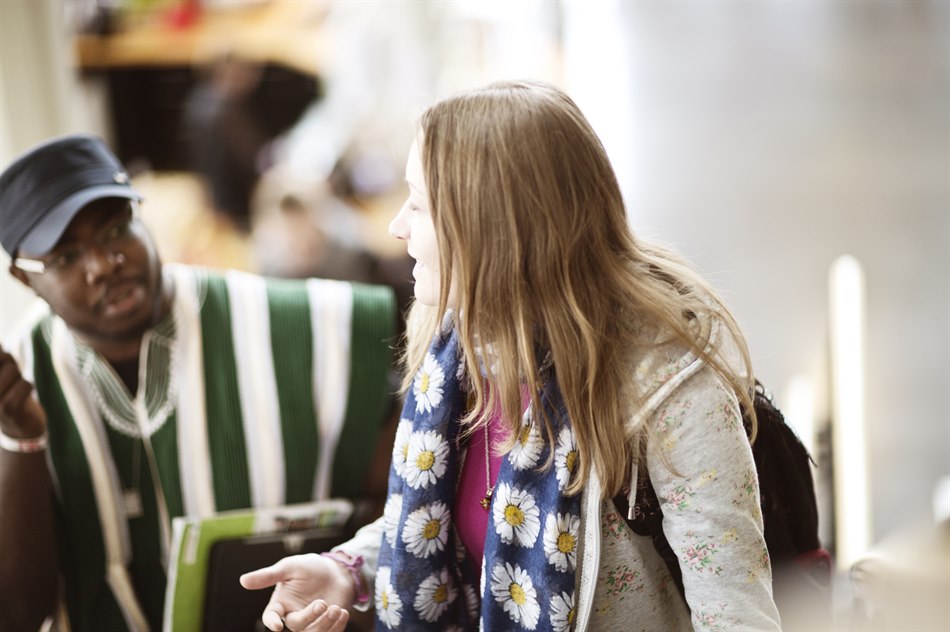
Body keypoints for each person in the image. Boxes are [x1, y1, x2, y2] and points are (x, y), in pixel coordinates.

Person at [240, 81, 782, 631]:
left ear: (492, 229)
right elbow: (449, 520)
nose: (396, 226)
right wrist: (347, 570)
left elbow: (735, 612)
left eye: (419, 205)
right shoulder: (456, 348)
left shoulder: (667, 388)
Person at [0, 134, 398, 631]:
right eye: (66, 257)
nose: (103, 264)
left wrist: (342, 580)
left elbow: (403, 504)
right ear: (23, 277)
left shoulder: (308, 327)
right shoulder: (18, 378)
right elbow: (17, 613)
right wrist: (22, 440)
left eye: (116, 230)